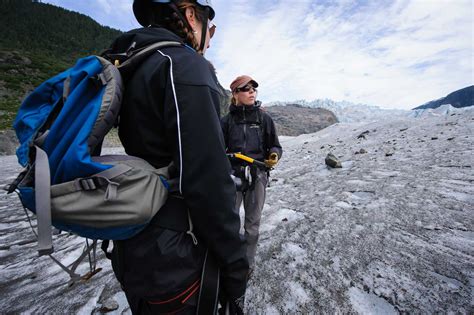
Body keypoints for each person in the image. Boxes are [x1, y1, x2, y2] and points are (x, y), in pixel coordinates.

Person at [106, 1, 248, 314]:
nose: (210, 39)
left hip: (134, 244)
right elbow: (206, 183)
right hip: (178, 256)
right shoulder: (184, 65)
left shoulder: (131, 63)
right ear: (188, 14)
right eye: (210, 29)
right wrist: (237, 267)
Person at [220, 76, 282, 273]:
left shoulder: (264, 119)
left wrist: (274, 155)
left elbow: (275, 145)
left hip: (257, 175)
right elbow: (218, 148)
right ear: (235, 94)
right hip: (233, 177)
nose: (251, 91)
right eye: (245, 89)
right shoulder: (226, 121)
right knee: (228, 222)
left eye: (254, 88)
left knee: (252, 224)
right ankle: (229, 261)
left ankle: (247, 265)